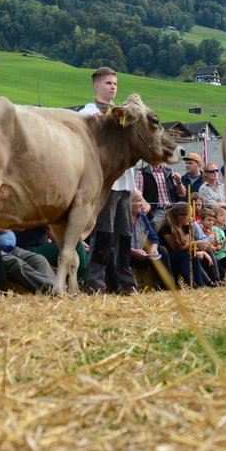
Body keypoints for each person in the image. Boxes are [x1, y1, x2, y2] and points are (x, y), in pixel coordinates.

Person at [80, 67, 136, 294]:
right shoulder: (87, 113)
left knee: (125, 235)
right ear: (96, 86)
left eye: (115, 83)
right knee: (104, 232)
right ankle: (95, 282)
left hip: (125, 181)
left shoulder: (122, 113)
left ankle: (126, 282)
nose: (113, 87)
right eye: (108, 83)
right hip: (105, 182)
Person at [156, 202, 196, 289]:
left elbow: (187, 243)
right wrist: (195, 244)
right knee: (186, 255)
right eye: (190, 215)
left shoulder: (185, 225)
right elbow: (175, 248)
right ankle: (190, 284)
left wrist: (191, 228)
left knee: (194, 254)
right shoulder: (166, 225)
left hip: (179, 251)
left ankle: (203, 283)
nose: (192, 218)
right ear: (180, 217)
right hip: (167, 254)